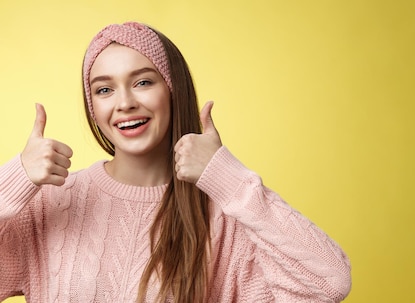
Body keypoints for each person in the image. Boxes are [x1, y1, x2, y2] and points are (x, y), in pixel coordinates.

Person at [0, 22, 351, 302]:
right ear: (93, 105)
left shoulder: (222, 217)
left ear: (173, 90)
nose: (124, 103)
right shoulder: (50, 204)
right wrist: (13, 181)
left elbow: (328, 282)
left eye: (142, 82)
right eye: (104, 89)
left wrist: (227, 177)